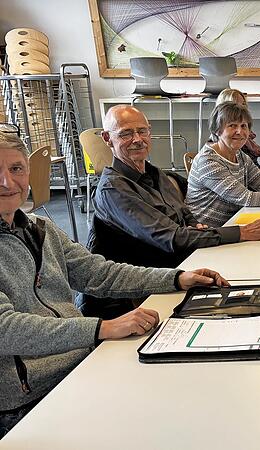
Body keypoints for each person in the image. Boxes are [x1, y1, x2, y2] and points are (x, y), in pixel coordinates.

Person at [0, 131, 227, 437]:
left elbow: (98, 273)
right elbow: (6, 329)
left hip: (82, 362)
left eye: (15, 169)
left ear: (27, 172)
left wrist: (175, 278)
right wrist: (102, 328)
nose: (7, 182)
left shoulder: (40, 228)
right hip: (31, 400)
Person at [84, 105, 260, 319]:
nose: (137, 139)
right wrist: (242, 232)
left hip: (183, 266)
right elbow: (171, 238)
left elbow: (184, 213)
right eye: (126, 134)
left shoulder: (156, 173)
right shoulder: (114, 190)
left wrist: (195, 224)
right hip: (138, 297)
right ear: (107, 138)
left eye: (142, 131)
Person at [215, 88, 260, 178]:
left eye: (243, 104)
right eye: (236, 104)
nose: (239, 131)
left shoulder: (240, 152)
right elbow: (247, 180)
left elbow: (255, 174)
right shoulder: (221, 152)